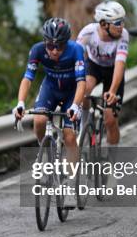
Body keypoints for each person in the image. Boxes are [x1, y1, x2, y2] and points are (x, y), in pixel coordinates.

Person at [12, 17, 86, 192]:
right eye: (49, 46)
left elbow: (82, 83)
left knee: (69, 136)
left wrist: (75, 105)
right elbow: (27, 79)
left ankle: (71, 182)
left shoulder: (76, 50)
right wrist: (21, 102)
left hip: (71, 92)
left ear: (66, 43)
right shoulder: (37, 50)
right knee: (39, 120)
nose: (53, 51)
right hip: (50, 89)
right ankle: (45, 150)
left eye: (59, 46)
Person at [76, 1, 129, 147]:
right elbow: (75, 57)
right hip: (94, 67)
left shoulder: (123, 35)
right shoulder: (88, 32)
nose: (122, 26)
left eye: (123, 21)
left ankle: (113, 159)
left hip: (113, 71)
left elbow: (119, 65)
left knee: (110, 119)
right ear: (104, 24)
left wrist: (112, 91)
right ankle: (84, 128)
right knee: (84, 90)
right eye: (118, 23)